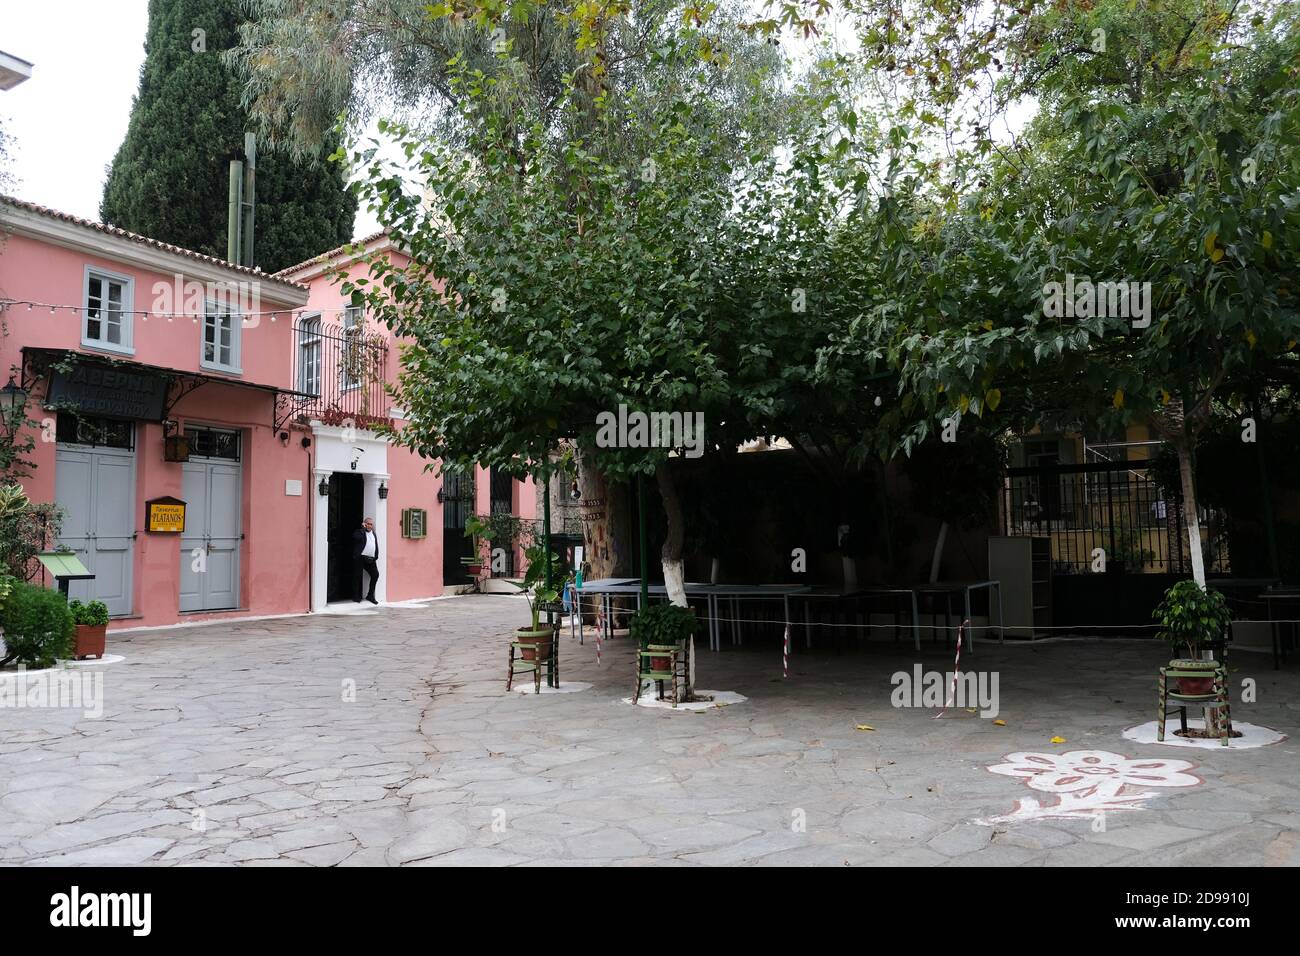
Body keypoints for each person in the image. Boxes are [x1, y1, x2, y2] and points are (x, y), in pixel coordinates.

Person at [352, 517, 380, 604]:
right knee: (357, 576)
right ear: (364, 524)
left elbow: (375, 544)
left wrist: (376, 556)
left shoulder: (373, 533)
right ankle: (355, 596)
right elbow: (355, 538)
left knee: (375, 575)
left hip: (371, 558)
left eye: (371, 524)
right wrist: (363, 529)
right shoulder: (360, 532)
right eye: (368, 524)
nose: (369, 526)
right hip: (361, 557)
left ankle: (370, 595)